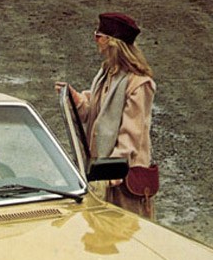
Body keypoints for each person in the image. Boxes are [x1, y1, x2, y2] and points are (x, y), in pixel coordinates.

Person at [57, 13, 157, 218]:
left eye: (98, 35)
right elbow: (93, 113)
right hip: (103, 173)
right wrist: (77, 99)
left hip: (123, 179)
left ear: (112, 42)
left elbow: (131, 135)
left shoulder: (138, 83)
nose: (95, 39)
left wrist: (111, 173)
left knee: (126, 236)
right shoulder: (106, 73)